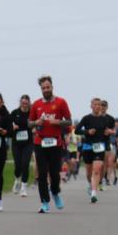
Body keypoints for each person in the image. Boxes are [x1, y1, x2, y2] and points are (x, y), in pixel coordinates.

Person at [28, 75, 72, 213]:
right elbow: (29, 123)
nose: (46, 90)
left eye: (48, 87)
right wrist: (36, 123)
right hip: (40, 142)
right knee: (42, 173)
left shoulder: (61, 102)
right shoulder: (36, 104)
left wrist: (58, 122)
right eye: (43, 88)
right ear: (41, 89)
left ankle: (55, 193)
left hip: (55, 142)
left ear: (52, 87)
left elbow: (69, 121)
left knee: (54, 173)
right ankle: (44, 202)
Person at [75, 98, 113, 203]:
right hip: (87, 146)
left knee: (96, 170)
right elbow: (77, 130)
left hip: (99, 147)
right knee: (89, 172)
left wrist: (109, 132)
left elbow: (109, 130)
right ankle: (90, 184)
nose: (97, 106)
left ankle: (94, 193)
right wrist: (87, 131)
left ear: (101, 107)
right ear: (91, 106)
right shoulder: (86, 118)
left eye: (99, 105)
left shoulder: (105, 119)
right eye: (95, 104)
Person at [10, 94, 33, 197]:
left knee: (25, 164)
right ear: (20, 103)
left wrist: (35, 128)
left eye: (26, 103)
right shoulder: (15, 113)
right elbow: (8, 123)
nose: (24, 105)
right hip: (16, 143)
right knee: (18, 165)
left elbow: (36, 123)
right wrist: (12, 126)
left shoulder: (32, 113)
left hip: (28, 143)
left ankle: (24, 187)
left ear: (29, 103)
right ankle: (17, 179)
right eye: (22, 103)